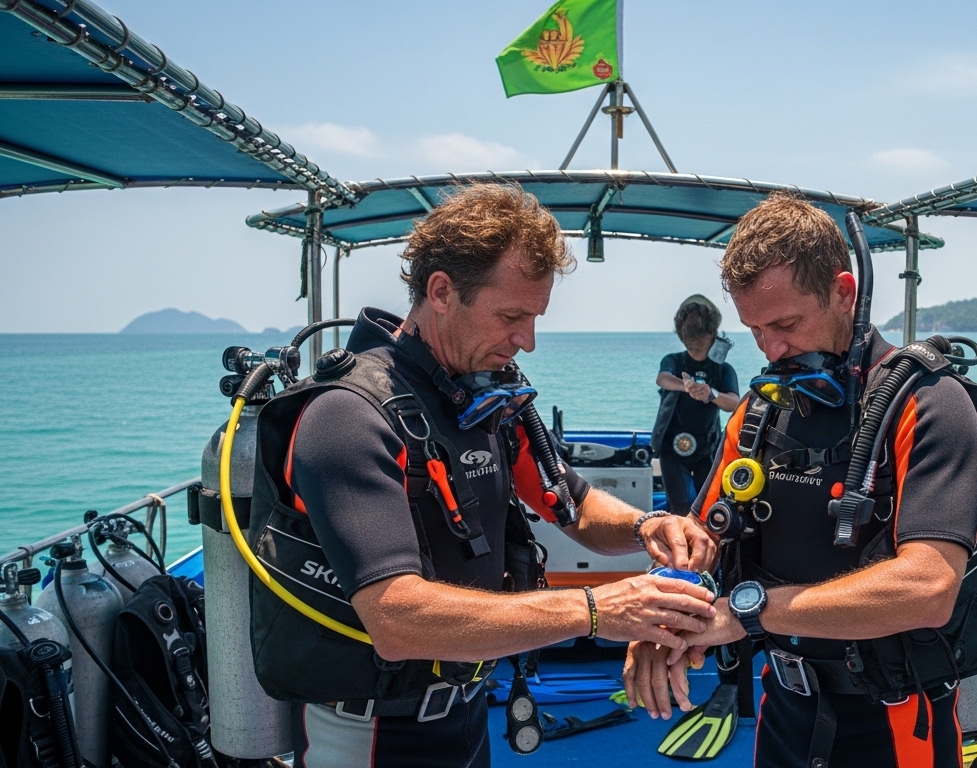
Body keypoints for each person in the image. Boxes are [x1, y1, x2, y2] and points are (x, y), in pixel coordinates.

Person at [247, 184, 718, 768]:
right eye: (513, 316)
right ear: (441, 291)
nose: (528, 341)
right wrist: (599, 609)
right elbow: (395, 619)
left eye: (535, 317)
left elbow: (572, 503)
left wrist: (650, 524)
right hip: (370, 733)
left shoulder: (482, 399)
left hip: (467, 713)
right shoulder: (349, 415)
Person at [623, 194, 977, 768]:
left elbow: (928, 588)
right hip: (787, 708)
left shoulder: (928, 404)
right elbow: (701, 539)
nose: (772, 349)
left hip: (895, 719)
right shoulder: (757, 413)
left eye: (787, 324)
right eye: (754, 330)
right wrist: (661, 614)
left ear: (844, 292)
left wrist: (747, 613)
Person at [652, 295, 741, 513]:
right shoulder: (674, 360)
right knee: (679, 506)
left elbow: (733, 403)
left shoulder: (723, 369)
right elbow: (662, 378)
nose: (696, 344)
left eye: (700, 339)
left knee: (709, 506)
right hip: (672, 448)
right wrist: (687, 386)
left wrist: (712, 393)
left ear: (712, 336)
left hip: (708, 448)